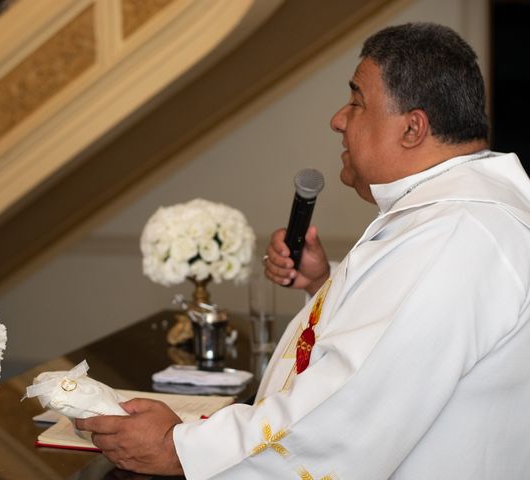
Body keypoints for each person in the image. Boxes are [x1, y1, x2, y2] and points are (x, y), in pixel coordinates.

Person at [76, 22, 530, 479]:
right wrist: (323, 283)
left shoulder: (453, 234)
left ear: (412, 128)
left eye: (356, 101)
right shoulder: (462, 218)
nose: (338, 118)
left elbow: (347, 413)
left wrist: (181, 449)